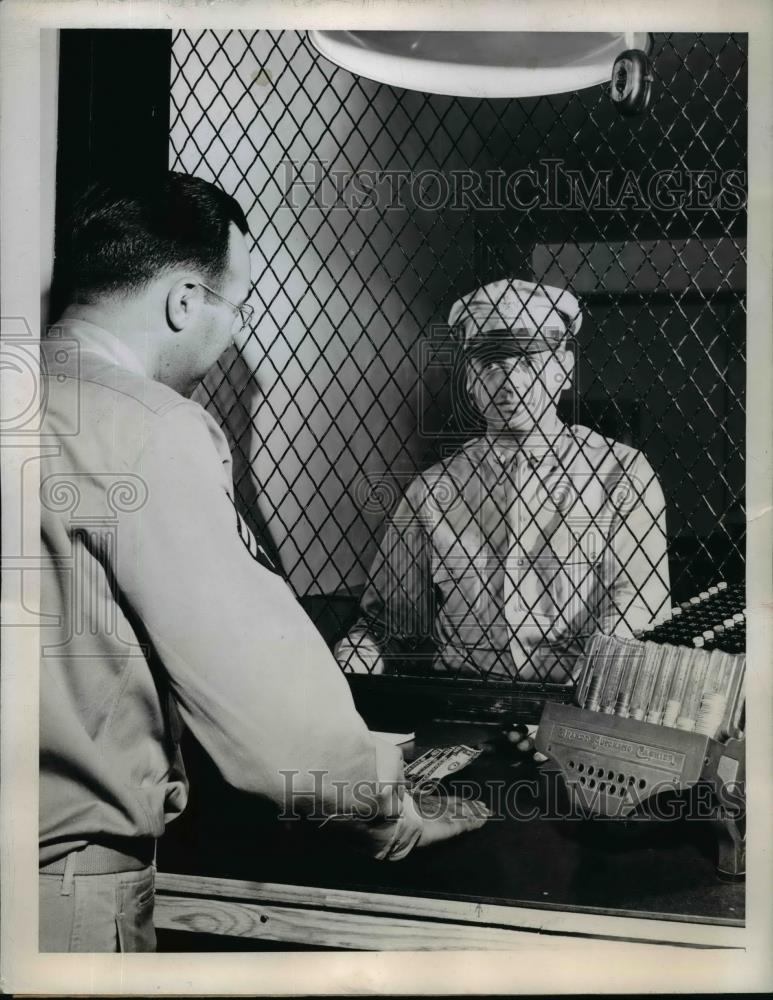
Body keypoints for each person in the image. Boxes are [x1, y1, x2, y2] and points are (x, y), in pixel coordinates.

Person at [38, 173, 489, 953]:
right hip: (58, 893)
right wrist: (391, 817)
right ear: (184, 301)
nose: (235, 337)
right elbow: (282, 735)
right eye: (235, 306)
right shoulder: (154, 430)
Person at [335, 278, 671, 681]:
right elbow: (389, 623)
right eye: (491, 363)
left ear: (563, 370)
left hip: (572, 706)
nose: (509, 381)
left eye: (528, 360)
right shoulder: (433, 492)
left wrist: (587, 686)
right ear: (470, 379)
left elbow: (638, 603)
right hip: (461, 704)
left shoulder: (621, 476)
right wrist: (357, 654)